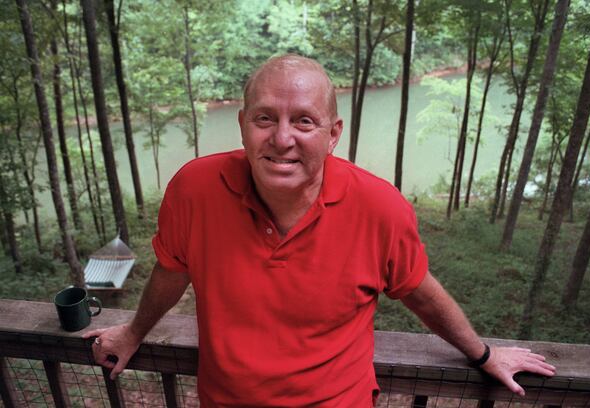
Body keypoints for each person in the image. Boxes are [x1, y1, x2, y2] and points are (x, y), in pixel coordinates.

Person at [83, 55, 555, 407]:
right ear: (243, 125)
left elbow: (419, 291)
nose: (282, 138)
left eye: (303, 121)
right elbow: (172, 268)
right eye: (265, 117)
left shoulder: (379, 207)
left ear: (332, 134)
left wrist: (483, 354)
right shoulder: (195, 189)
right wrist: (134, 331)